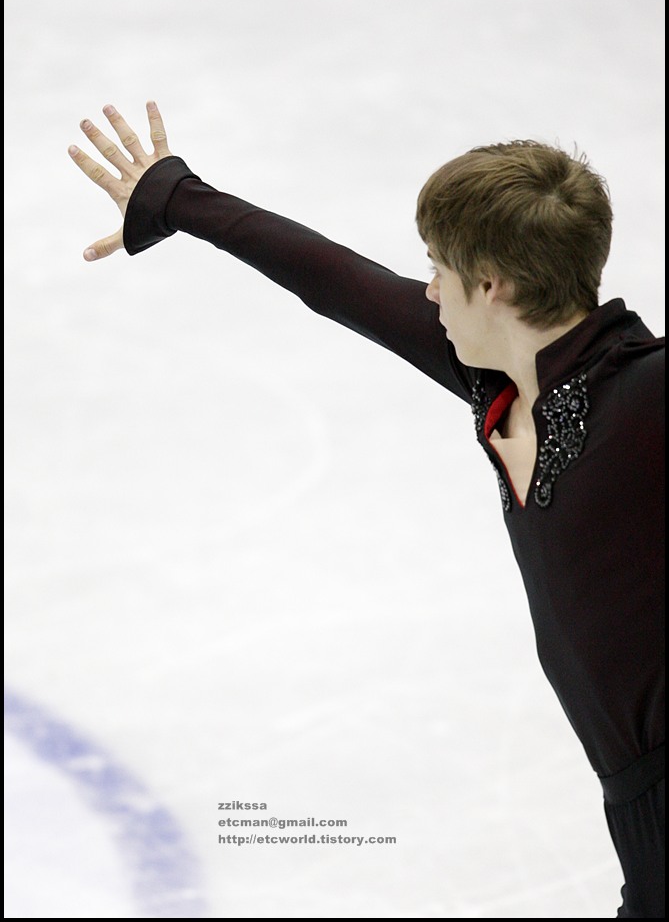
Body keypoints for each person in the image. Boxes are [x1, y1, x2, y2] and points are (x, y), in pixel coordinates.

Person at [68, 101, 665, 918]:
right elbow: (337, 283)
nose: (425, 290)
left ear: (488, 286)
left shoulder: (645, 395)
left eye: (436, 270)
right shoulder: (495, 378)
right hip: (638, 814)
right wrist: (177, 198)